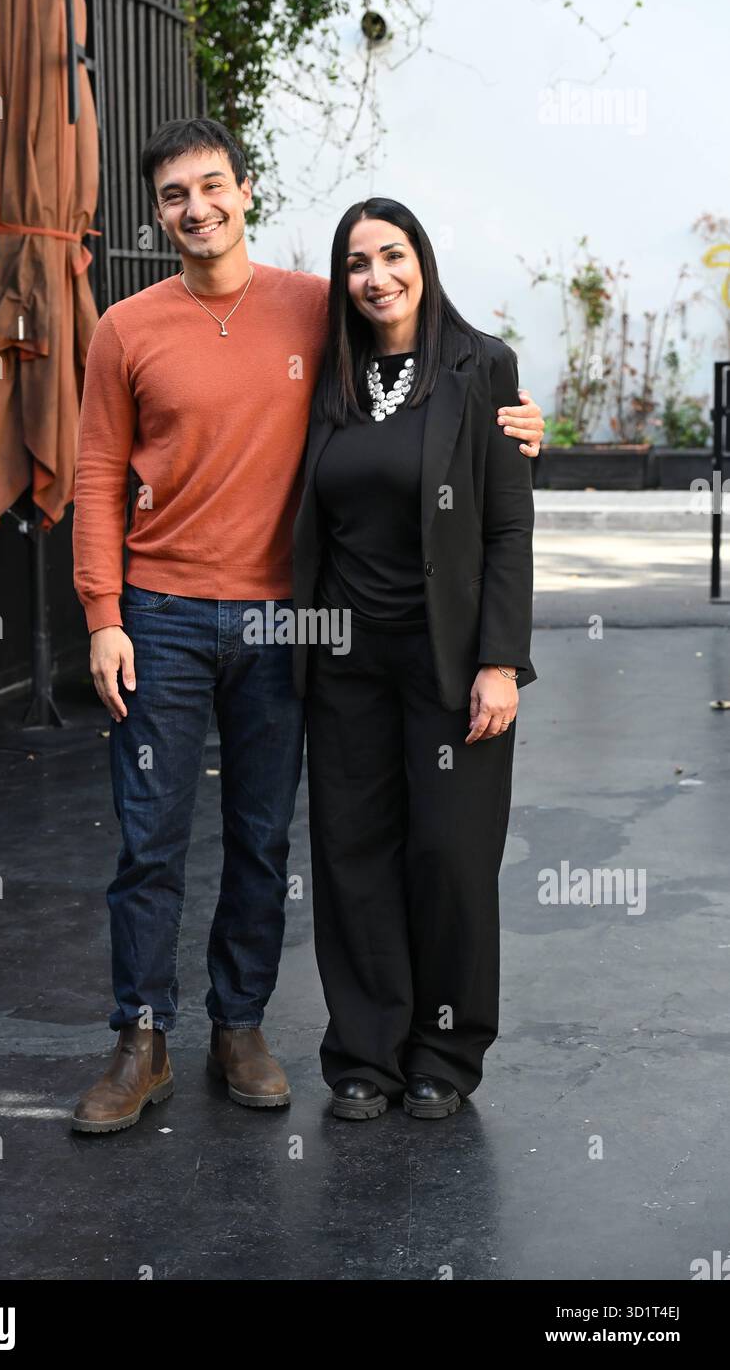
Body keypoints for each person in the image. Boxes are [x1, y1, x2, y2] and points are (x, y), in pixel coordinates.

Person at [70, 119, 544, 1134]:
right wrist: (102, 615)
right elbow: (98, 474)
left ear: (245, 192)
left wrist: (519, 422)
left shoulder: (317, 309)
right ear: (156, 216)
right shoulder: (129, 329)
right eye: (172, 197)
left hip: (289, 624)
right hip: (176, 617)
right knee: (162, 843)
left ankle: (243, 1025)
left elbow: (454, 402)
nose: (195, 208)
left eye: (211, 187)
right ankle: (142, 1041)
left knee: (269, 836)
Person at [292, 197, 536, 1121]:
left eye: (391, 255)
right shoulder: (328, 373)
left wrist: (501, 660)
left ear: (422, 261)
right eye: (356, 263)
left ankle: (445, 1048)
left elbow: (508, 524)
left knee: (451, 856)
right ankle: (366, 1051)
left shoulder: (482, 366)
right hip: (342, 658)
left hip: (452, 659)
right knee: (353, 854)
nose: (376, 276)